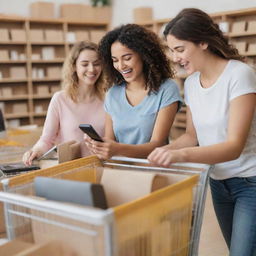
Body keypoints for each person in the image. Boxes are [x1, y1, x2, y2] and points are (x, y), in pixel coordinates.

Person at [147, 8, 256, 256]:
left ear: (203, 42)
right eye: (172, 50)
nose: (175, 58)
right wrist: (165, 149)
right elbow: (191, 137)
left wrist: (181, 156)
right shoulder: (192, 83)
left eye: (180, 49)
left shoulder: (239, 75)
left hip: (250, 184)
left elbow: (234, 146)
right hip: (218, 182)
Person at [84, 24, 182, 160]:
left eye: (127, 58)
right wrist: (100, 146)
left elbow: (157, 145)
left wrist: (117, 149)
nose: (121, 66)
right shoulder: (113, 94)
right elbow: (110, 139)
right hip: (120, 170)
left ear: (143, 55)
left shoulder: (167, 89)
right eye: (115, 60)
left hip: (154, 169)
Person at [23, 41, 106, 165]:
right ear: (74, 66)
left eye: (96, 64)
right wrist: (35, 151)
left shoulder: (107, 100)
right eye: (84, 64)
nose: (92, 69)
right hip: (69, 169)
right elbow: (47, 139)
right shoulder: (60, 99)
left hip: (100, 167)